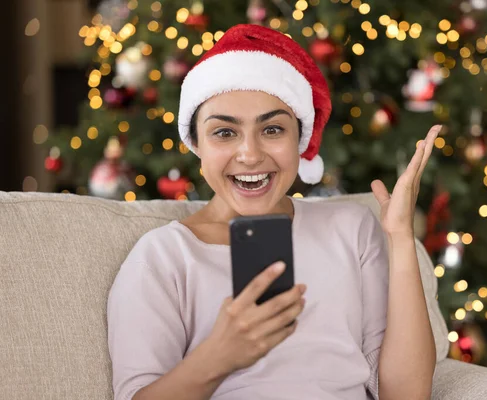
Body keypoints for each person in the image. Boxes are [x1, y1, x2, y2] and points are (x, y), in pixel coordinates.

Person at [107, 24, 438, 400]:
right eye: (225, 133)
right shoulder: (164, 257)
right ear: (195, 144)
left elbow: (406, 394)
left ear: (299, 140)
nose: (250, 154)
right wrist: (219, 355)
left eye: (272, 129)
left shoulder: (352, 228)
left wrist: (400, 239)